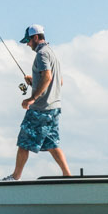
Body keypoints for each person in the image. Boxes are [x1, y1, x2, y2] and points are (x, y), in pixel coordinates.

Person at [10, 25, 71, 180]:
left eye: (29, 41)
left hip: (40, 109)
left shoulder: (42, 54)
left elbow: (48, 77)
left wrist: (32, 98)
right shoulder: (52, 54)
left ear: (36, 37)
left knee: (24, 142)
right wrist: (34, 82)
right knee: (51, 143)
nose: (28, 44)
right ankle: (67, 176)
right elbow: (59, 81)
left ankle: (15, 177)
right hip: (54, 108)